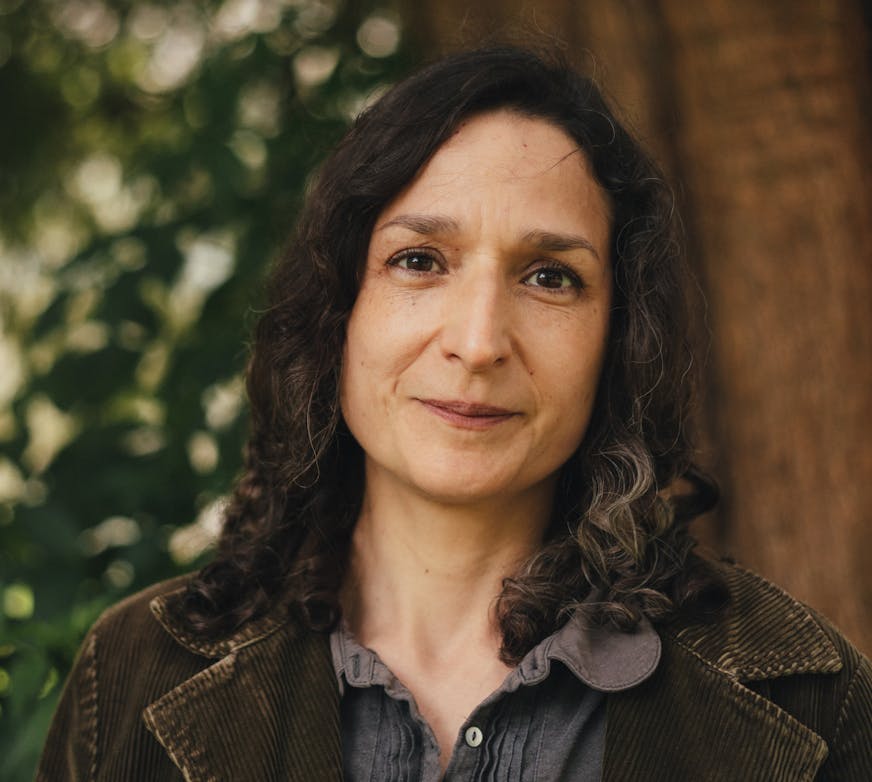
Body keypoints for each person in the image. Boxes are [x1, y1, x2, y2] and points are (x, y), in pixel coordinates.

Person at [38, 46, 870, 782]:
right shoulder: (135, 669)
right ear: (339, 311)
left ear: (618, 339)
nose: (477, 343)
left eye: (550, 276)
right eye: (419, 260)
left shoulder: (812, 698)